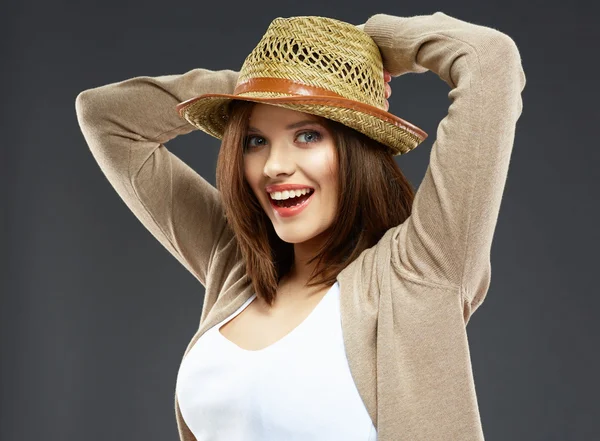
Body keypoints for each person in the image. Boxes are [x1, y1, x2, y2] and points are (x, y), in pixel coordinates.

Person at [75, 11, 526, 441]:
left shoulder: (419, 271)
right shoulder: (233, 264)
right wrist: (274, 77)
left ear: (357, 148)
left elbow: (490, 59)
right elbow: (106, 116)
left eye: (307, 135)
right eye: (256, 140)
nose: (274, 165)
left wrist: (362, 49)